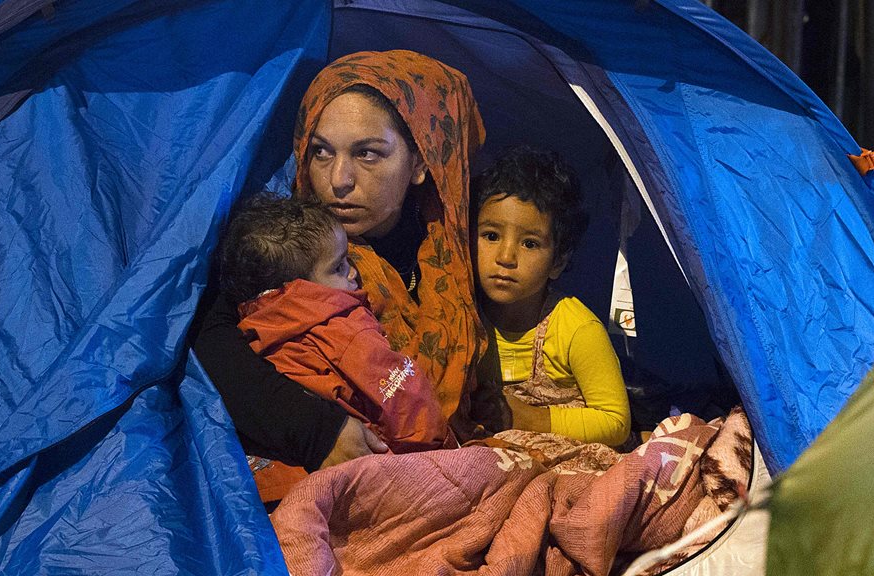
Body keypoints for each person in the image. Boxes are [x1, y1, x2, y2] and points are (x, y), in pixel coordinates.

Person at [191, 50, 486, 473]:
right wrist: (318, 430)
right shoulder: (287, 249)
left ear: (421, 162)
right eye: (321, 152)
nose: (338, 180)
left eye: (368, 154)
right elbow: (212, 340)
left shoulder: (452, 255)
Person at [219, 194, 450, 462]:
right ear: (300, 291)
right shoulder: (347, 331)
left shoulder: (258, 334)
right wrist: (442, 446)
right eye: (338, 267)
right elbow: (404, 400)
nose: (353, 272)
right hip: (391, 462)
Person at [474, 147, 632, 448]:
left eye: (530, 243)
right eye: (491, 236)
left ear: (557, 262)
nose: (505, 257)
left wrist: (532, 420)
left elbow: (616, 422)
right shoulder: (464, 315)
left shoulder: (576, 329)